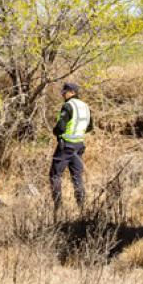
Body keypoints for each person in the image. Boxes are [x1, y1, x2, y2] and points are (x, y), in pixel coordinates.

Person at [50, 82, 92, 216]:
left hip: (66, 145)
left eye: (65, 91)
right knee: (77, 176)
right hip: (79, 145)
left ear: (72, 92)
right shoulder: (85, 106)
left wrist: (56, 131)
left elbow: (60, 127)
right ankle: (82, 208)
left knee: (55, 175)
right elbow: (90, 127)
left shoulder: (68, 106)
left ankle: (58, 208)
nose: (63, 93)